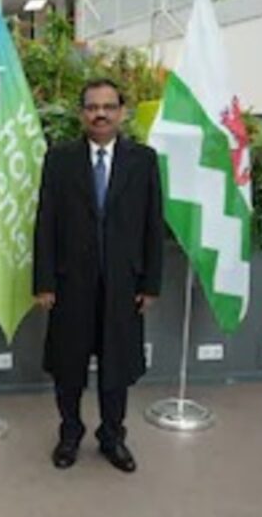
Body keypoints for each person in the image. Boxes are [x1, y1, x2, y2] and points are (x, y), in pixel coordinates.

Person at [34, 78, 163, 474]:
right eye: (92, 107)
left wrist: (150, 283)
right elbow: (46, 222)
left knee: (116, 367)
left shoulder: (143, 160)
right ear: (82, 113)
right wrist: (44, 281)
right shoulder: (60, 159)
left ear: (121, 112)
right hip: (70, 283)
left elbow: (152, 224)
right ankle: (70, 433)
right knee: (68, 366)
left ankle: (112, 436)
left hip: (124, 284)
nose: (100, 114)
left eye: (108, 107)